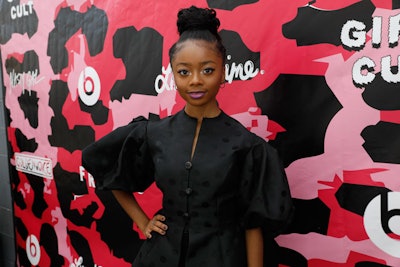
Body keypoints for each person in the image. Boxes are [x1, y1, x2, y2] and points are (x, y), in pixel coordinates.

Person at [82, 5, 293, 267]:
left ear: (223, 71)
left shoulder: (246, 146)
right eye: (184, 72)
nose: (195, 80)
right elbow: (106, 166)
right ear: (173, 74)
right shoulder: (154, 133)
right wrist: (142, 221)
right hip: (161, 256)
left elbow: (254, 225)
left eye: (207, 70)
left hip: (221, 258)